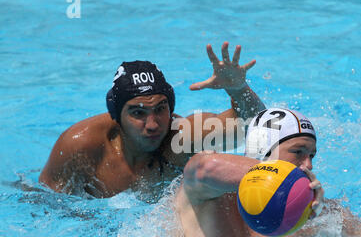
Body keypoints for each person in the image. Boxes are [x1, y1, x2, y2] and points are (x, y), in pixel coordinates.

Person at [39, 42, 265, 198]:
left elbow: (256, 126)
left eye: (160, 109)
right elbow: (45, 203)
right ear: (117, 116)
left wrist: (238, 90)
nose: (153, 124)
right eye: (138, 113)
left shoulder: (184, 137)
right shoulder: (81, 146)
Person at [174, 108, 361, 237]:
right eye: (298, 152)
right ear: (263, 150)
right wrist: (279, 179)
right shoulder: (210, 195)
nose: (308, 164)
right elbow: (204, 168)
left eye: (312, 155)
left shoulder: (316, 210)